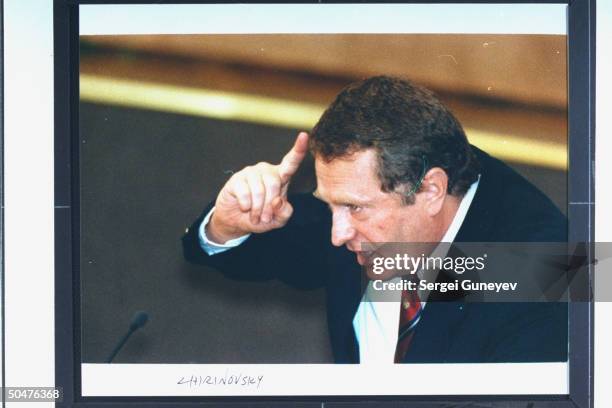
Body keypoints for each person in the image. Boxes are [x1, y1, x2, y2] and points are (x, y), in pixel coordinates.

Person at [182, 76, 568, 364]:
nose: (337, 234)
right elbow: (261, 249)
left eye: (355, 208)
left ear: (431, 191)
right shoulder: (360, 206)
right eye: (330, 206)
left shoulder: (545, 273)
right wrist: (228, 223)